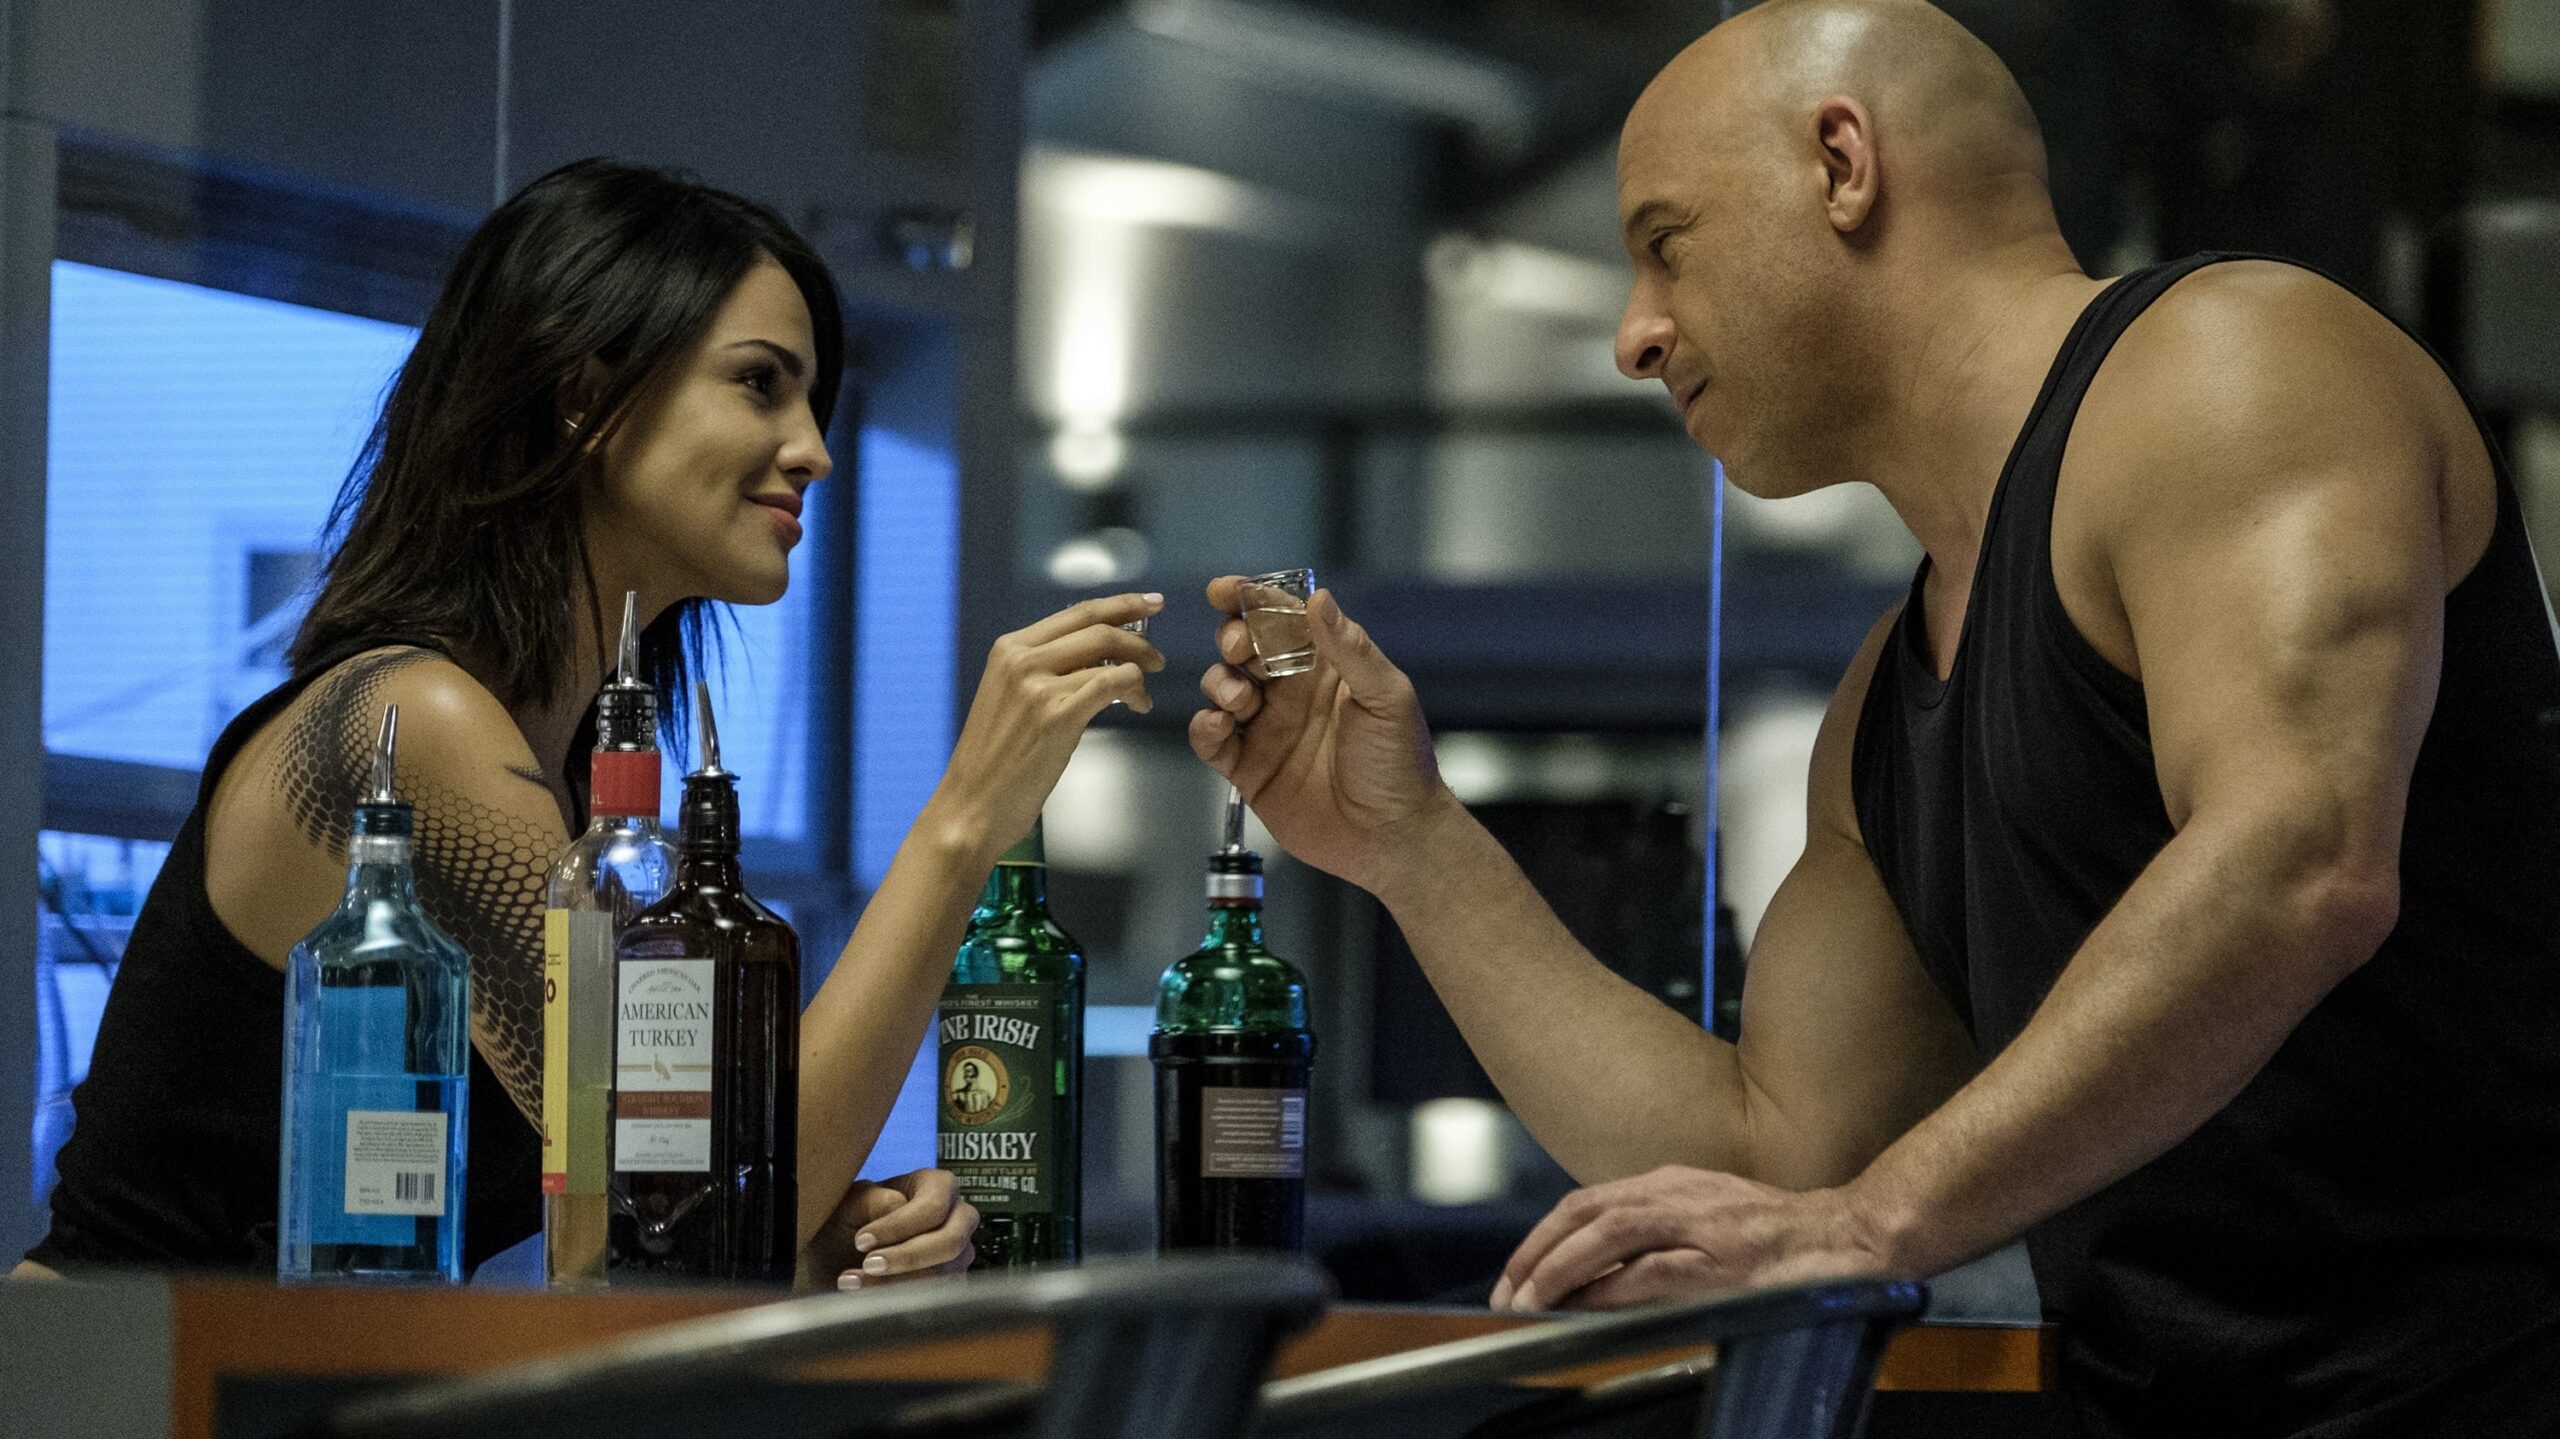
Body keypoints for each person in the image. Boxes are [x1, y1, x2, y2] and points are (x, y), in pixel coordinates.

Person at [1187, 1, 2560, 1431]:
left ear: (1842, 164)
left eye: (1667, 244)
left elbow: (2302, 861)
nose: (1633, 336)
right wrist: (1412, 842)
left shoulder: (2234, 363)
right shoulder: (1884, 706)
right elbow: (1772, 1164)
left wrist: (1874, 1219)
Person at [17, 159, 1163, 1290]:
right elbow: (696, 1199)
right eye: (759, 382)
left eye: (811, 398)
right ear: (584, 397)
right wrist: (964, 822)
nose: (812, 447)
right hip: (120, 1376)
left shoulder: (567, 779)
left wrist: (836, 1238)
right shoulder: (413, 727)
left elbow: (666, 1226)